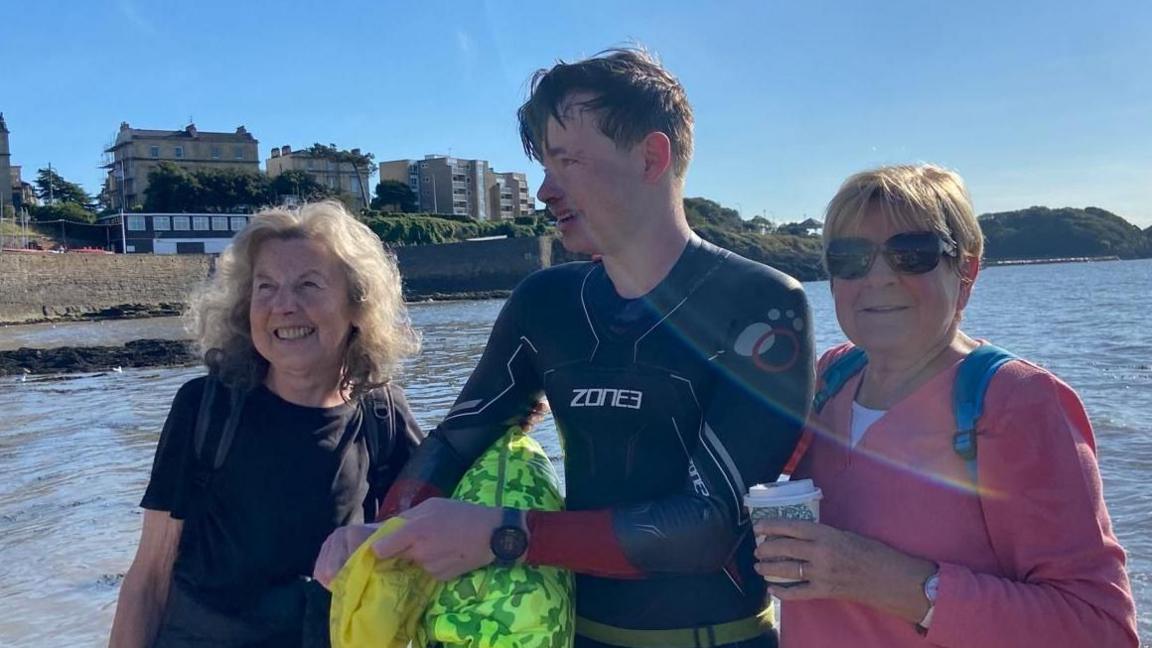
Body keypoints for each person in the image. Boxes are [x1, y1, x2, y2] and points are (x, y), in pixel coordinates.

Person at [314, 48, 814, 648]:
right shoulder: (545, 304)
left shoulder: (761, 304)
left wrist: (506, 535)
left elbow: (706, 526)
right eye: (546, 164)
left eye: (569, 161)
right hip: (576, 635)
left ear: (651, 157)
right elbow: (454, 442)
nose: (547, 190)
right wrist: (386, 533)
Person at [754, 165, 1139, 646]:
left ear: (968, 269)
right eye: (851, 257)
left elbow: (1099, 628)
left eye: (911, 254)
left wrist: (896, 583)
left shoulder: (1018, 402)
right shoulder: (831, 377)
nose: (877, 278)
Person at [109, 201, 424, 648]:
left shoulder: (382, 415)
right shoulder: (205, 410)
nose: (284, 307)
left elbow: (433, 528)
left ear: (358, 304)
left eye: (308, 285)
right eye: (266, 288)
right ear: (245, 305)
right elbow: (150, 575)